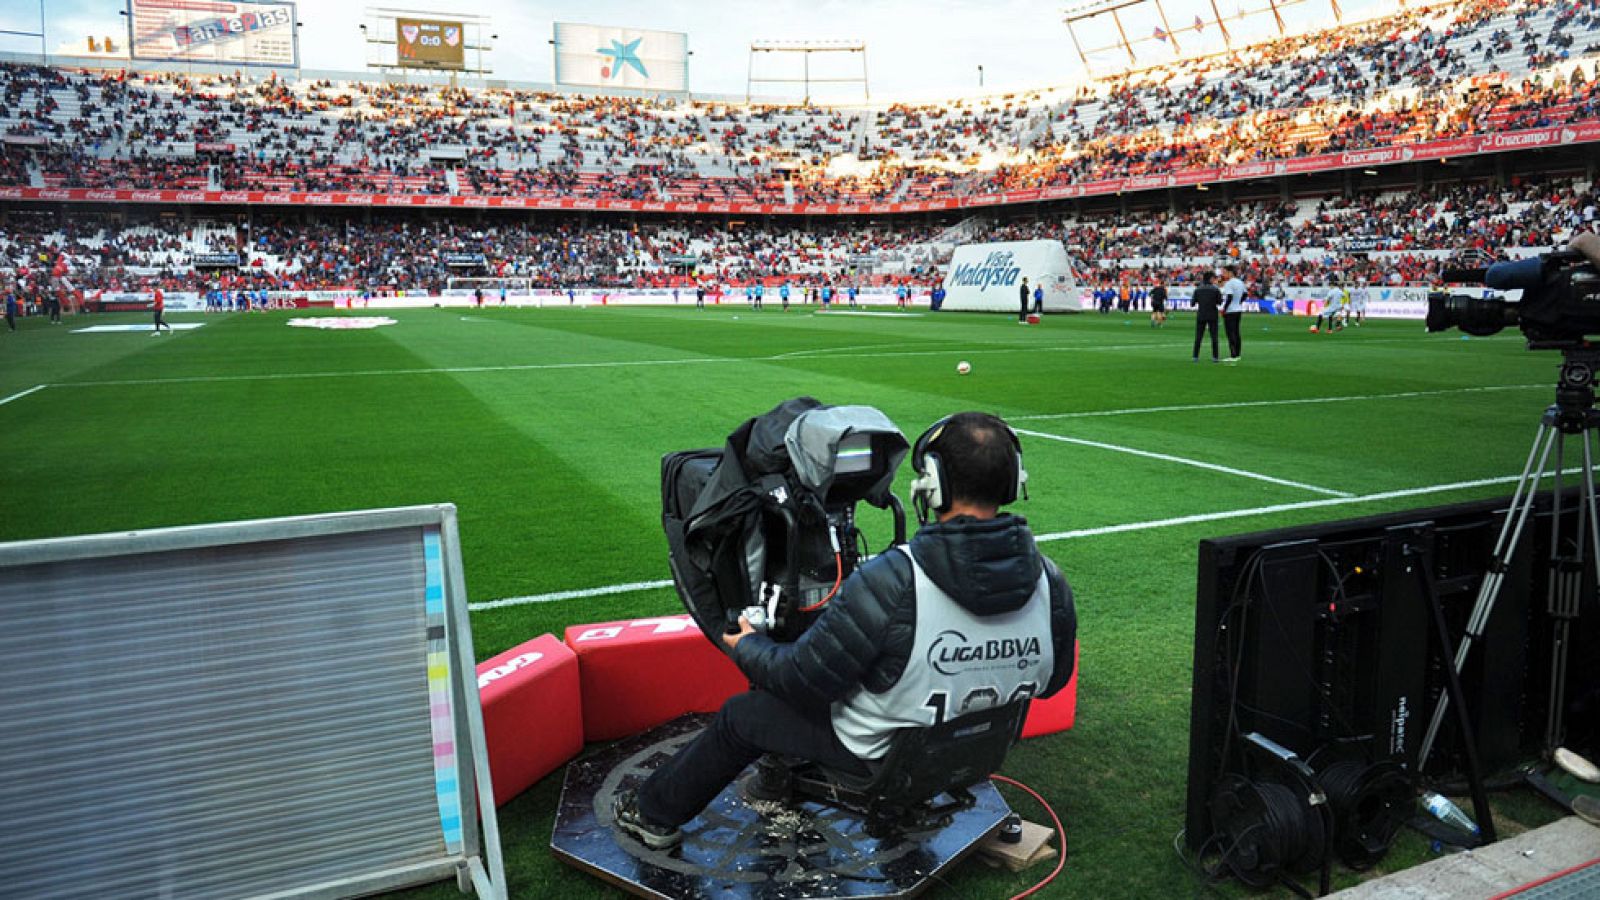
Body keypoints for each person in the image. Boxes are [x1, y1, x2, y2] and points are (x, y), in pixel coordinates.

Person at [613, 412, 1077, 850]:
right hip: (976, 751)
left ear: (933, 484)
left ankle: (651, 814)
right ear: (1015, 482)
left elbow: (799, 679)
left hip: (880, 756)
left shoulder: (895, 580)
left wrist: (748, 645)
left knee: (743, 715)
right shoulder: (1050, 580)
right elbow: (1053, 680)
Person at [1191, 272, 1221, 363]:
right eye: (1214, 278)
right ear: (1210, 278)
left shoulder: (1198, 289)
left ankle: (1195, 356)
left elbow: (1192, 303)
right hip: (1212, 314)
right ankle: (1215, 357)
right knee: (1214, 337)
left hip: (1201, 314)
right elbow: (1219, 302)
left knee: (1198, 337)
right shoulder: (1215, 289)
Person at [1221, 267, 1246, 362]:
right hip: (1238, 310)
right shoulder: (1240, 282)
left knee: (1230, 333)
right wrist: (1239, 302)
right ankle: (1238, 354)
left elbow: (1229, 297)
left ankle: (1233, 355)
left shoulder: (1229, 283)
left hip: (1230, 311)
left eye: (1225, 272)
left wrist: (1224, 309)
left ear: (1230, 273)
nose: (1224, 274)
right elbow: (1245, 294)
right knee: (1236, 332)